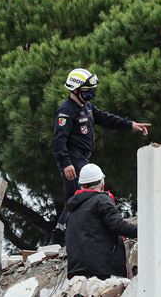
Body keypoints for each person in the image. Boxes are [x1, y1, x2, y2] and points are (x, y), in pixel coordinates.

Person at [50, 68, 149, 244]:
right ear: (75, 90)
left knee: (75, 199)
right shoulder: (66, 111)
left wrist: (131, 125)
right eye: (87, 90)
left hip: (83, 158)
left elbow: (106, 118)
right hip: (73, 160)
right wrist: (66, 163)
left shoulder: (86, 107)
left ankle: (63, 238)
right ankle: (58, 240)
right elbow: (58, 141)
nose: (91, 93)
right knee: (77, 198)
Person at [65, 164, 137, 279]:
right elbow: (117, 225)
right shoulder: (101, 199)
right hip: (102, 270)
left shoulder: (72, 208)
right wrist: (142, 230)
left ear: (81, 185)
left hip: (76, 272)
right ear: (102, 183)